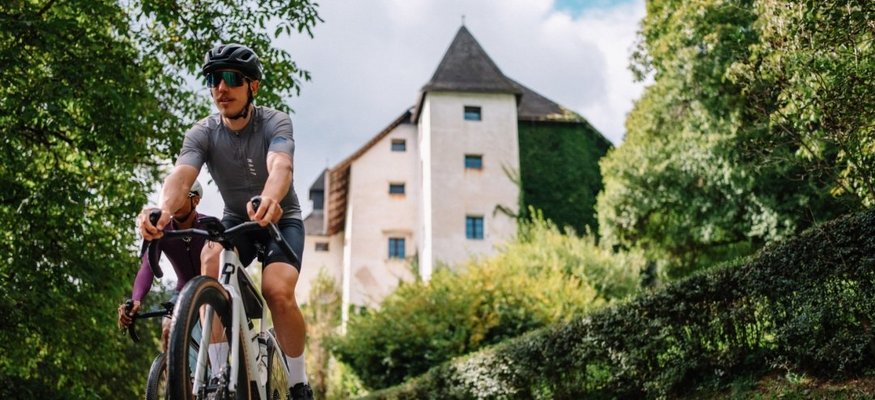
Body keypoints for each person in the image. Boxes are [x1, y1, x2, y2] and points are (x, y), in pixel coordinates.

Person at [138, 43, 311, 399]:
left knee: (276, 290)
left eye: (232, 79)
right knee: (210, 259)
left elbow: (281, 166)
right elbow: (181, 177)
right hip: (237, 217)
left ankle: (298, 382)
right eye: (214, 79)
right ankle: (218, 378)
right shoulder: (202, 132)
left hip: (281, 216)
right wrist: (163, 211)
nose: (221, 88)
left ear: (253, 87)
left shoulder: (275, 121)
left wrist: (270, 198)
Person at [118, 181, 210, 352]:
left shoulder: (208, 225)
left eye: (180, 196)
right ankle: (173, 377)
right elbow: (147, 267)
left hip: (211, 288)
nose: (173, 201)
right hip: (183, 290)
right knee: (168, 329)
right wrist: (136, 299)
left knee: (214, 340)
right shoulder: (162, 229)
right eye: (171, 196)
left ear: (195, 200)